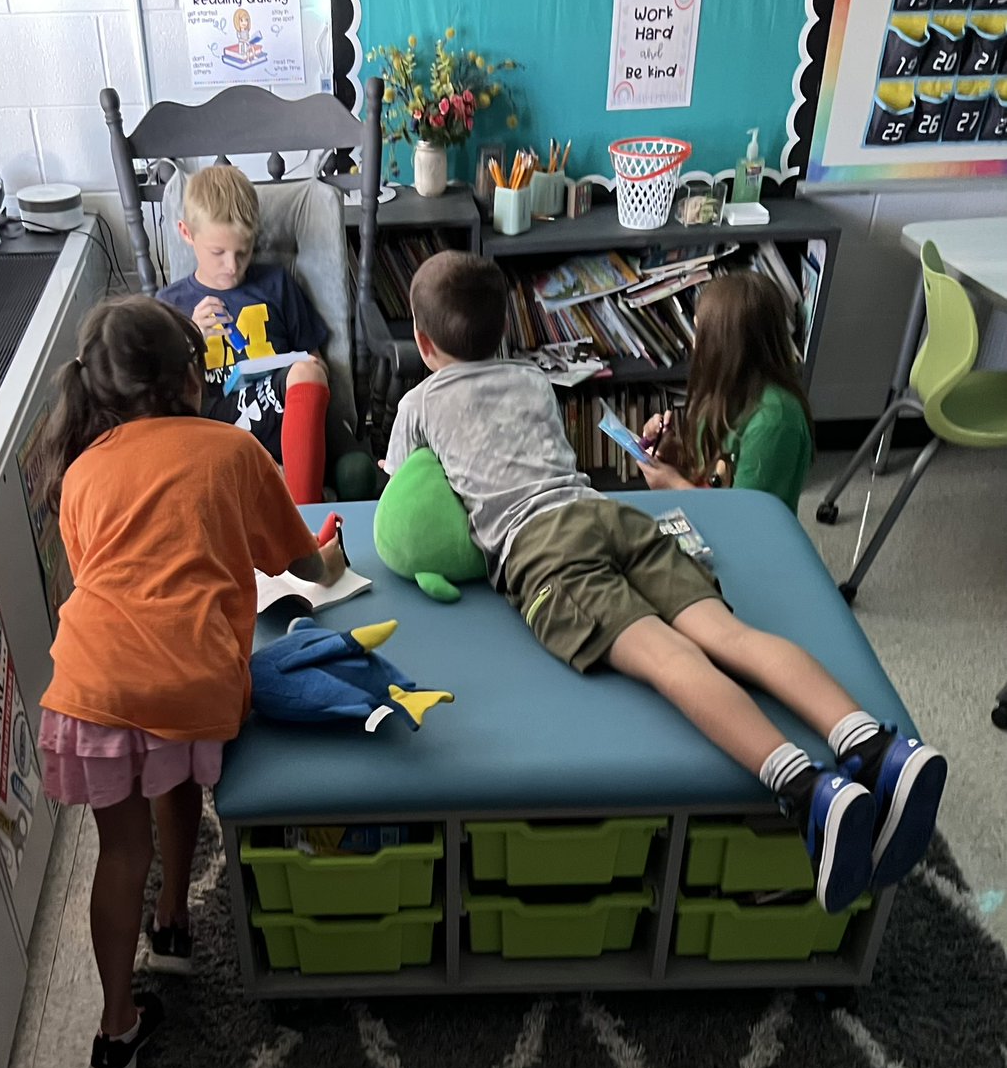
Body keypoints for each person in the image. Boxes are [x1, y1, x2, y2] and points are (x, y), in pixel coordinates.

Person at [385, 251, 947, 917]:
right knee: (729, 635)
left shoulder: (418, 403)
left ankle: (807, 792)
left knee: (667, 659)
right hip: (606, 514)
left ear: (423, 342)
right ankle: (873, 744)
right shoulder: (532, 378)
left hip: (542, 551)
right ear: (506, 329)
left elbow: (408, 501)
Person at [37, 295, 344, 1068]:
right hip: (191, 680)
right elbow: (302, 567)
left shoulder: (80, 472)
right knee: (175, 773)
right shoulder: (231, 452)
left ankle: (114, 1031)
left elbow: (102, 578)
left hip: (89, 685)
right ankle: (172, 925)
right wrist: (330, 558)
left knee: (118, 850)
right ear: (191, 380)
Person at [158, 164, 340, 504]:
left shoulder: (276, 284)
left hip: (274, 418)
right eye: (218, 253)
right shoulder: (169, 305)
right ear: (186, 233)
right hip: (211, 428)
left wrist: (300, 368)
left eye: (243, 252)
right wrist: (190, 339)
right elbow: (158, 400)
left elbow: (317, 364)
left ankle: (303, 509)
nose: (231, 265)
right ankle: (257, 481)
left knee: (308, 370)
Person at [639, 270, 813, 515]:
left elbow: (743, 518)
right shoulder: (722, 390)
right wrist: (674, 455)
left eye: (701, 334)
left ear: (729, 347)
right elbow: (710, 475)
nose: (694, 344)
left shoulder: (774, 421)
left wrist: (673, 485)